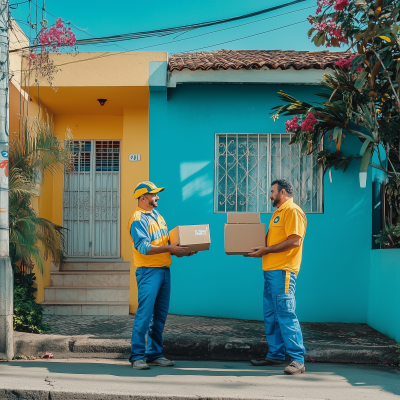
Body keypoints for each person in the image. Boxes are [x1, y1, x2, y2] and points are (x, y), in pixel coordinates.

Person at [127, 181, 196, 370]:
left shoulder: (157, 216)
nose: (157, 197)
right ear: (143, 198)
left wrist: (183, 251)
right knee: (144, 315)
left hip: (164, 270)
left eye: (157, 194)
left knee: (159, 317)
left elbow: (165, 245)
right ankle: (137, 357)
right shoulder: (137, 218)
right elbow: (143, 247)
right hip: (148, 272)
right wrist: (169, 248)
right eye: (153, 194)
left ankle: (154, 354)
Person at [248, 179, 307, 375]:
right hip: (271, 271)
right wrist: (253, 247)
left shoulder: (292, 211)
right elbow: (269, 242)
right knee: (271, 315)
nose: (270, 195)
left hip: (283, 271)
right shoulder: (278, 213)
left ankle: (297, 359)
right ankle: (275, 354)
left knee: (285, 313)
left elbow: (295, 241)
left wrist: (266, 249)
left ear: (282, 192)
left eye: (272, 191)